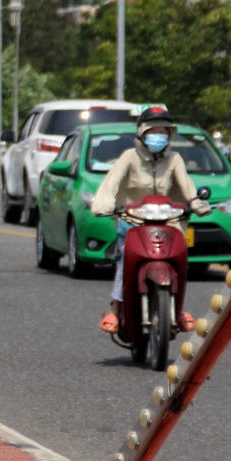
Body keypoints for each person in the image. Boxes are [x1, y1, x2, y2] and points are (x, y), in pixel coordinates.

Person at [91, 106, 210, 334]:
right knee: (124, 258)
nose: (159, 136)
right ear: (142, 134)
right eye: (153, 131)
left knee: (180, 257)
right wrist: (103, 205)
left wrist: (197, 204)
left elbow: (187, 187)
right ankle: (115, 309)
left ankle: (177, 308)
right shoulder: (129, 157)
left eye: (163, 131)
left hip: (166, 222)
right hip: (132, 221)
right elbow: (111, 183)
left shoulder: (174, 159)